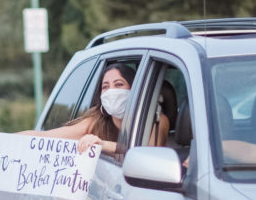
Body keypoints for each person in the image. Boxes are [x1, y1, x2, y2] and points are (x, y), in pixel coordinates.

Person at [20, 62, 169, 153]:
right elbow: (43, 137)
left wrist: (103, 145)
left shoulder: (156, 119)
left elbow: (146, 156)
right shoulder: (97, 120)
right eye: (105, 87)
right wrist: (1, 142)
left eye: (119, 85)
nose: (111, 92)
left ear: (134, 89)